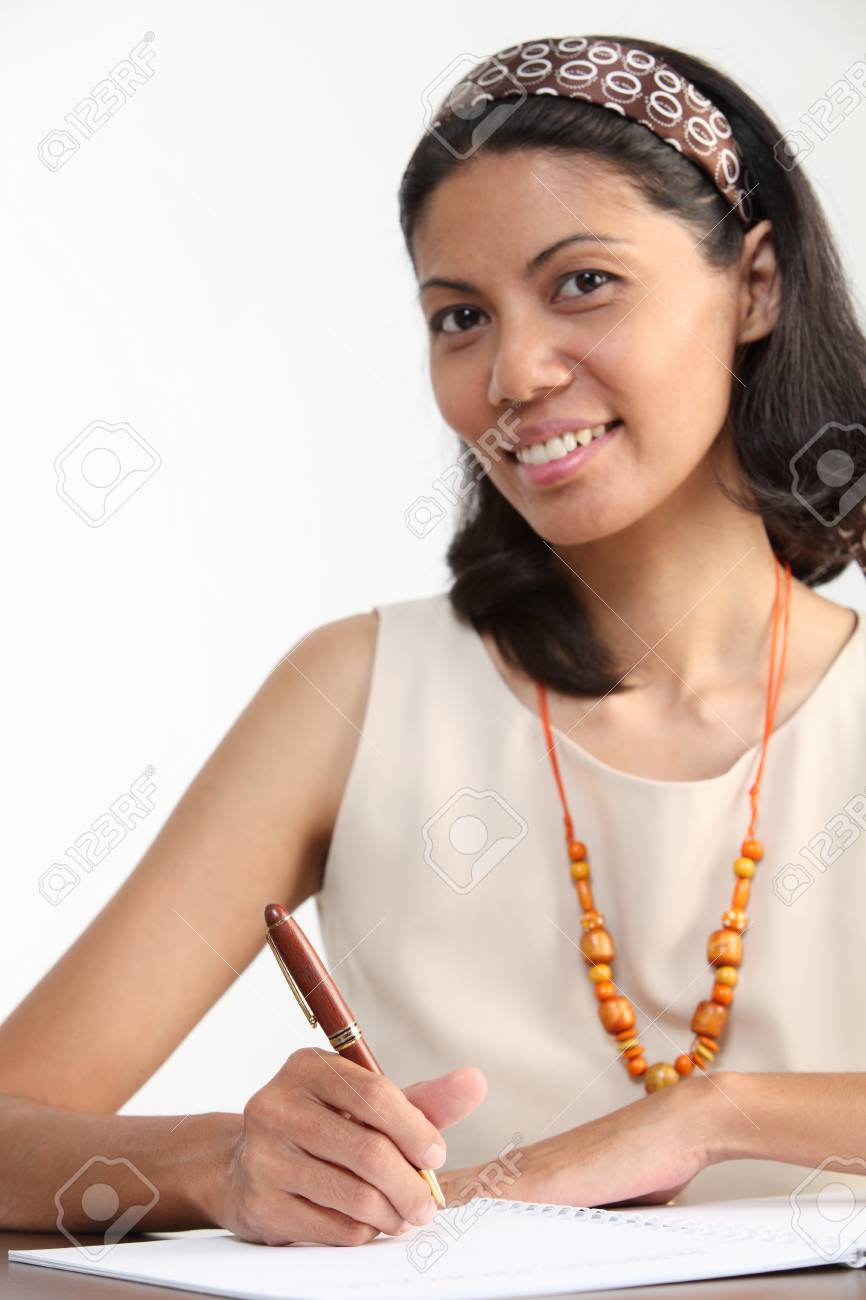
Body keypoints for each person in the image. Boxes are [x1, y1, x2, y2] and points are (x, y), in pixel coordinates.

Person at [2, 32, 866, 1247]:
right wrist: (222, 1159)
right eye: (459, 315)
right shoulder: (357, 692)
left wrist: (710, 1117)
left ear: (756, 286)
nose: (511, 372)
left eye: (580, 283)